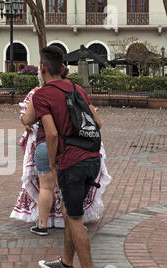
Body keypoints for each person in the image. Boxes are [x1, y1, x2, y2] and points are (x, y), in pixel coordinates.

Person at [32, 46, 105, 268]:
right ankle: (65, 262)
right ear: (62, 68)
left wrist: (52, 162)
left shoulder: (42, 94)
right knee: (68, 210)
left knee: (74, 218)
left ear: (43, 68)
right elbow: (98, 122)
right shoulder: (78, 89)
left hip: (72, 162)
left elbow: (51, 133)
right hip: (92, 158)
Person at [10, 67, 111, 236]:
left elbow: (28, 121)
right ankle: (74, 225)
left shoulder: (38, 93)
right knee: (71, 188)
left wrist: (24, 120)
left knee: (46, 187)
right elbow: (97, 123)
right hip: (72, 146)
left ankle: (42, 225)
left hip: (44, 144)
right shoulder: (77, 91)